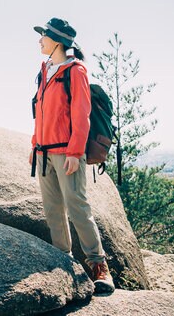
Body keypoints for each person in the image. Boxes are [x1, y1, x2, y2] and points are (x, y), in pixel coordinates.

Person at [29, 17, 115, 294]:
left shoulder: (75, 71)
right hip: (44, 152)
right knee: (53, 211)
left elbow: (81, 115)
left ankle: (99, 266)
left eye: (43, 35)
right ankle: (62, 261)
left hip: (67, 152)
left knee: (77, 207)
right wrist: (34, 144)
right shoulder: (45, 69)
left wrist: (76, 152)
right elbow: (39, 111)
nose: (39, 40)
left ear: (57, 41)